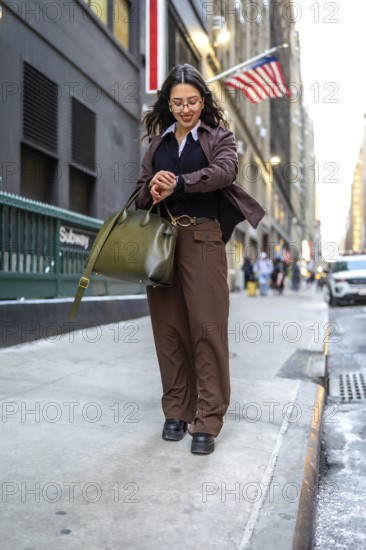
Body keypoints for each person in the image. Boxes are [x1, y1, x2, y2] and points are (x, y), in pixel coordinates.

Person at [135, 63, 265, 454]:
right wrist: (153, 188)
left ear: (203, 101)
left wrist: (180, 181)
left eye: (192, 101)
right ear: (167, 104)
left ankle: (207, 418)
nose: (185, 109)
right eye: (178, 103)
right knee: (168, 330)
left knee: (206, 327)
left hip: (203, 236)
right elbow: (140, 192)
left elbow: (225, 172)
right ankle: (176, 409)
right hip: (161, 240)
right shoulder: (157, 145)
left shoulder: (218, 136)